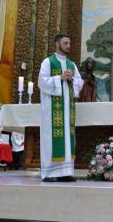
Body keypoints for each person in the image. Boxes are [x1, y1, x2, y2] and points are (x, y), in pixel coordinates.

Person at [38, 34, 84, 182]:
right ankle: (49, 173)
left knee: (68, 140)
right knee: (51, 139)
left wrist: (72, 79)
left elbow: (80, 82)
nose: (68, 45)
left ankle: (65, 172)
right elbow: (42, 82)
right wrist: (60, 78)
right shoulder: (48, 62)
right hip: (53, 110)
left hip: (68, 109)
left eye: (69, 43)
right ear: (57, 44)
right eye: (65, 43)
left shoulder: (71, 64)